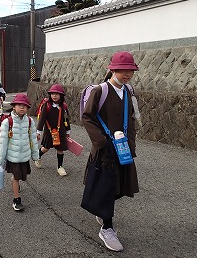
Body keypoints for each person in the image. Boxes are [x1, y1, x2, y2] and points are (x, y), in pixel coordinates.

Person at [81, 51, 139, 252]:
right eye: (123, 70)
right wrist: (101, 141)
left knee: (120, 186)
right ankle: (107, 227)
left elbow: (131, 119)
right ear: (112, 69)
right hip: (105, 149)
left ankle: (101, 208)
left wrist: (130, 145)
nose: (127, 74)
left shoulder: (129, 92)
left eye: (130, 70)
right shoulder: (101, 90)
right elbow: (87, 117)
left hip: (122, 148)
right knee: (108, 186)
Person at [0, 94, 39, 211]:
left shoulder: (30, 122)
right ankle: (16, 200)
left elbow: (33, 140)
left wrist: (36, 155)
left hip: (25, 156)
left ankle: (15, 184)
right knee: (16, 177)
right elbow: (3, 142)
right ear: (14, 106)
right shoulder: (7, 122)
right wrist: (1, 158)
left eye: (25, 106)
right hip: (13, 157)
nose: (22, 108)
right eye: (19, 105)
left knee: (20, 176)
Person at [36, 84, 71, 176]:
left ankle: (60, 167)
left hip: (61, 131)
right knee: (46, 148)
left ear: (61, 95)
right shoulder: (46, 105)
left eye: (57, 94)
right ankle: (38, 156)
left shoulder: (64, 106)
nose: (54, 96)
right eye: (52, 94)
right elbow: (42, 119)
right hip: (49, 131)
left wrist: (68, 131)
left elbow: (66, 119)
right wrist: (38, 131)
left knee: (60, 149)